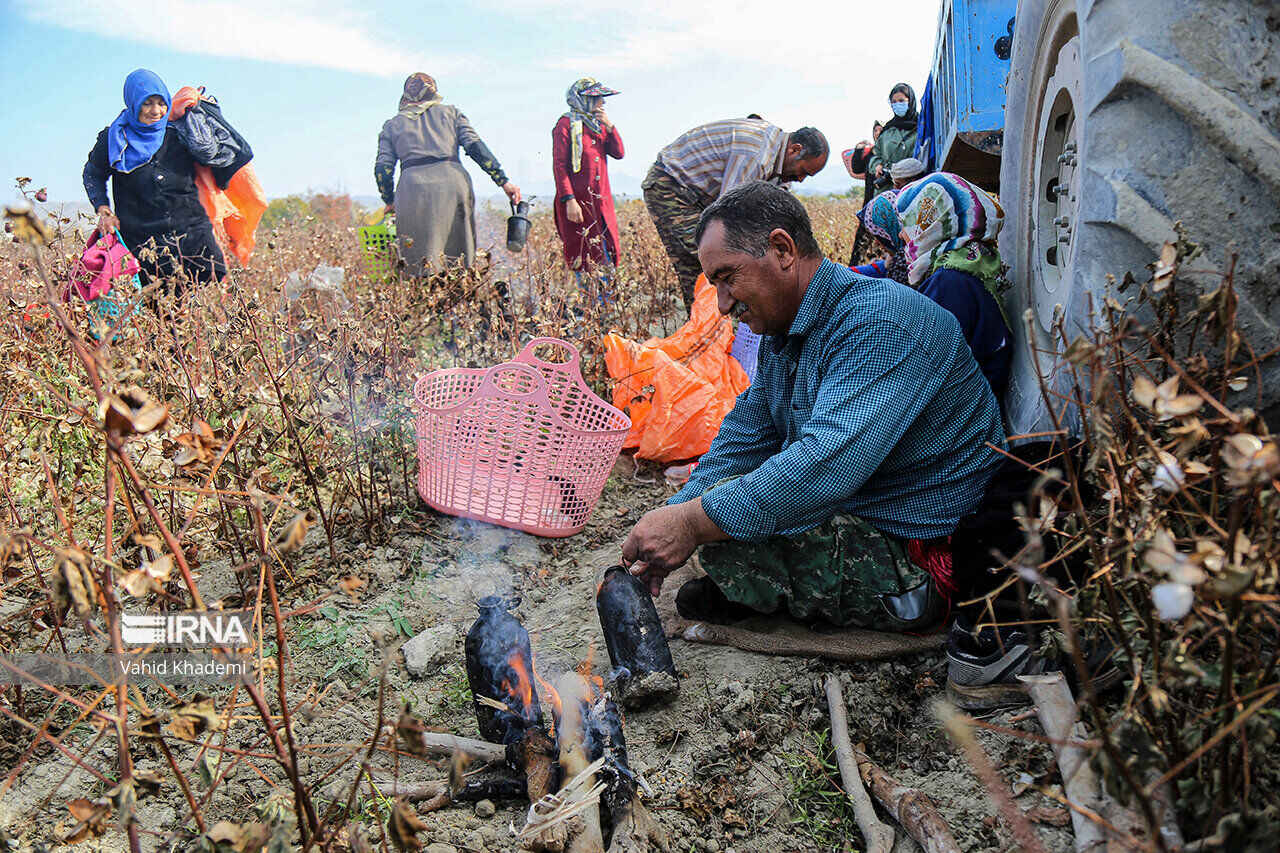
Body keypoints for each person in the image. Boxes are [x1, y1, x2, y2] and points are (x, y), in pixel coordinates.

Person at [621, 181, 1005, 631]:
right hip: (866, 503)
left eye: (728, 278)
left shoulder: (880, 322)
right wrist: (678, 513)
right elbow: (744, 437)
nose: (722, 305)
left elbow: (825, 464)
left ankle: (909, 597)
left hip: (919, 540)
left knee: (723, 540)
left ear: (782, 250)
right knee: (716, 510)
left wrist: (690, 523)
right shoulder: (785, 331)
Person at [642, 118, 829, 311]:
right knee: (703, 260)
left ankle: (718, 324)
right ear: (794, 150)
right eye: (803, 171)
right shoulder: (756, 156)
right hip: (673, 187)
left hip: (702, 196)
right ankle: (706, 329)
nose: (800, 179)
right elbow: (728, 217)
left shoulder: (779, 168)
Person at [84, 69, 226, 293]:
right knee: (161, 307)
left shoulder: (179, 131)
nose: (156, 111)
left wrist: (205, 115)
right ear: (133, 103)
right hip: (143, 241)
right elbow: (93, 173)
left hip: (192, 231)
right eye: (147, 103)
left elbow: (213, 154)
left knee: (211, 288)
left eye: (161, 103)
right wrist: (104, 210)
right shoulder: (114, 138)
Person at [375, 73, 521, 276]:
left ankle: (424, 302)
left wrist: (389, 200)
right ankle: (459, 300)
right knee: (459, 259)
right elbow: (476, 147)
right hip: (453, 187)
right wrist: (503, 181)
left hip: (412, 192)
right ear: (433, 90)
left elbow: (383, 168)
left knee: (417, 261)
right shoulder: (452, 114)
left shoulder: (392, 126)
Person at [897, 172, 1013, 399]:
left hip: (965, 417)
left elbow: (925, 370)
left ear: (929, 224)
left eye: (907, 223)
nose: (902, 233)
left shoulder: (949, 282)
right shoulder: (972, 262)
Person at [552, 78, 624, 276]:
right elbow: (559, 166)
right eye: (597, 98)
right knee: (584, 258)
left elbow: (618, 152)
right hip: (578, 206)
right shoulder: (566, 125)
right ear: (584, 100)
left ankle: (607, 305)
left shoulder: (598, 126)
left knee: (608, 255)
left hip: (601, 205)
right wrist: (569, 200)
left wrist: (610, 126)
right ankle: (593, 304)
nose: (602, 103)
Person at [866, 84, 919, 194]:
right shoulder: (887, 130)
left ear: (910, 101)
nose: (897, 105)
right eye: (894, 102)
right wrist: (877, 166)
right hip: (887, 188)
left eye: (901, 100)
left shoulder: (922, 127)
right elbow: (876, 154)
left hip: (912, 186)